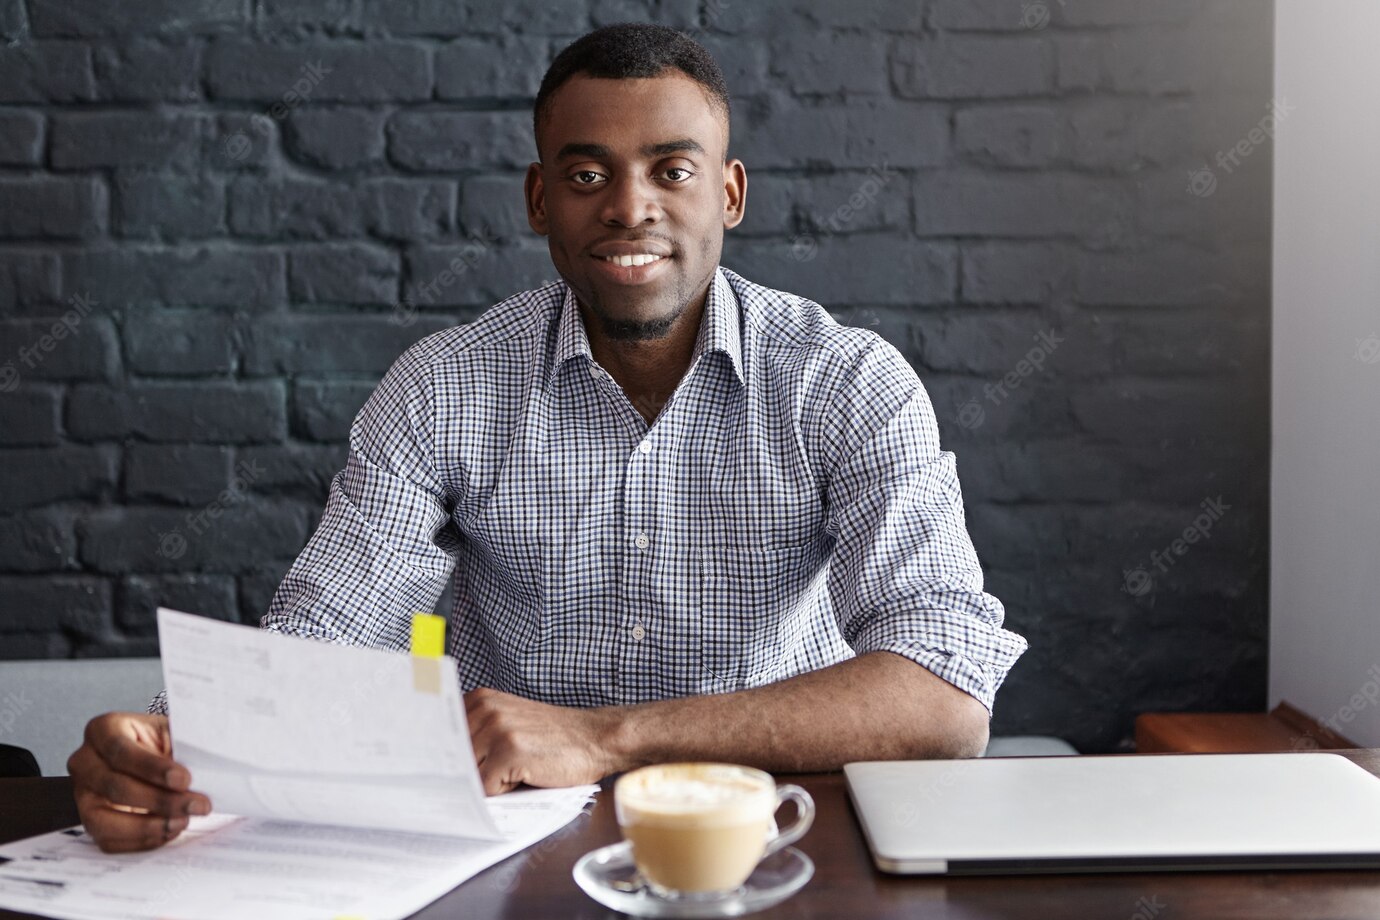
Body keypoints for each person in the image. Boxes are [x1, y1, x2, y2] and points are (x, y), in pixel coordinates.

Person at [67, 23, 1027, 853]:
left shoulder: (847, 383)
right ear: (539, 200)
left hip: (764, 839)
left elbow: (944, 699)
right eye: (586, 173)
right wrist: (166, 749)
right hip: (508, 845)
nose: (629, 206)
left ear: (729, 194)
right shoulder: (446, 388)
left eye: (672, 169)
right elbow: (333, 631)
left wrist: (609, 737)